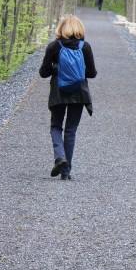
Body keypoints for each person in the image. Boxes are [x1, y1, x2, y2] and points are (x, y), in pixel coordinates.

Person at [39, 15, 97, 180]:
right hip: (79, 93)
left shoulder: (53, 47)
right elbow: (92, 73)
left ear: (61, 28)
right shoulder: (85, 47)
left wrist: (56, 69)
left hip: (58, 92)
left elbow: (43, 73)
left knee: (56, 127)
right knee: (71, 131)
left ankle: (60, 157)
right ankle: (66, 172)